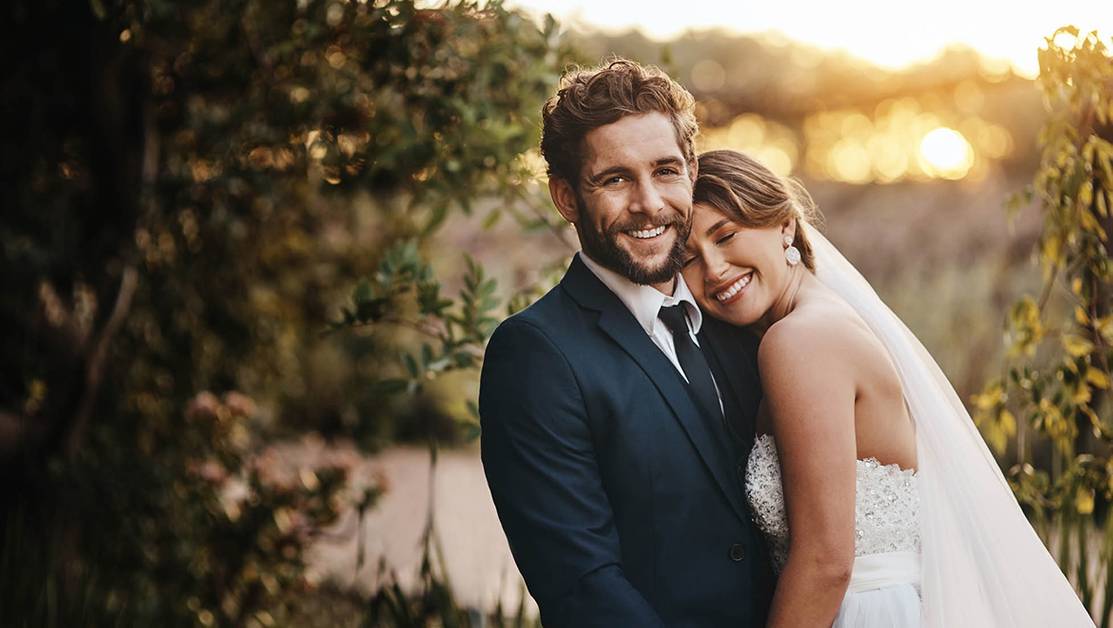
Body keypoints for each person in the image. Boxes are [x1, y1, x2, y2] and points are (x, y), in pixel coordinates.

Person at [681, 148, 1095, 627]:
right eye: (689, 259)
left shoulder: (799, 341)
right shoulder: (825, 320)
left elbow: (826, 563)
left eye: (726, 236)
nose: (712, 269)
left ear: (784, 226)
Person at [479, 61, 775, 627]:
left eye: (665, 171)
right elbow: (581, 585)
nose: (648, 203)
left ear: (691, 171)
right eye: (614, 179)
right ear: (566, 197)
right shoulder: (536, 355)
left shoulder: (738, 319)